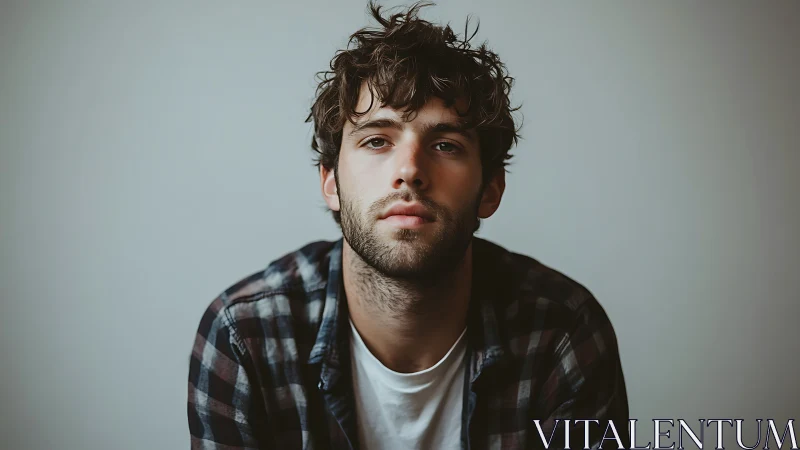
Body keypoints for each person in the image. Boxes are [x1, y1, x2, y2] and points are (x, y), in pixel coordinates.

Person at [187, 1, 629, 449]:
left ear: (490, 190)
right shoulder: (246, 336)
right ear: (330, 183)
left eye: (446, 145)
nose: (410, 170)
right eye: (377, 140)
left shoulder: (561, 332)